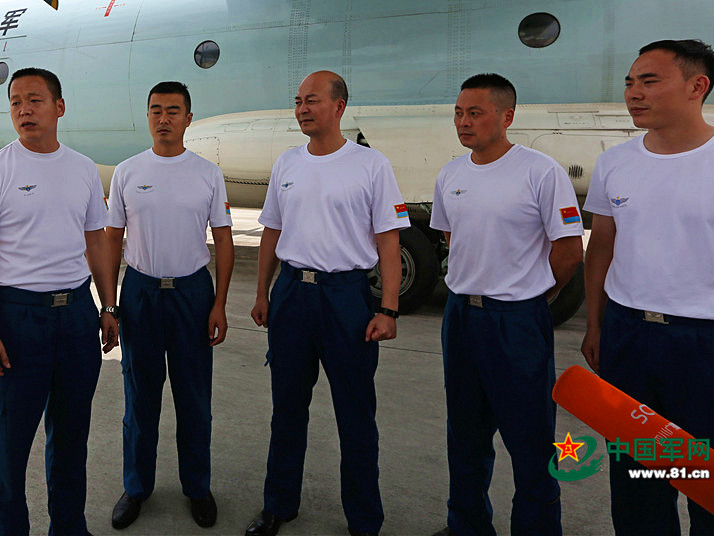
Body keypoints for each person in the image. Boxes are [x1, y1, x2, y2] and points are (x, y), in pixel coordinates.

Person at [581, 39, 714, 536]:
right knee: (638, 488)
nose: (633, 92)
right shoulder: (615, 162)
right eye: (630, 82)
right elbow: (601, 250)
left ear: (698, 86)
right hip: (631, 342)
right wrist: (596, 325)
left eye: (649, 81)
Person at [245, 70, 408, 536]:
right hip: (293, 295)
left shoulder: (370, 165)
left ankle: (363, 519)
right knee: (287, 408)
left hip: (347, 299)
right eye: (297, 101)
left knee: (355, 413)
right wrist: (262, 292)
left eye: (311, 100)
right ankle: (278, 504)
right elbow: (271, 232)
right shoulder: (287, 164)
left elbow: (388, 241)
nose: (301, 109)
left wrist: (389, 308)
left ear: (338, 106)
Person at [0, 67, 119, 536]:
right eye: (15, 103)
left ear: (59, 107)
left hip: (76, 314)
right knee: (7, 446)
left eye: (34, 100)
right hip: (15, 317)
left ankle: (69, 528)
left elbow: (97, 242)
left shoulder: (83, 169)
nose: (23, 110)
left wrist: (108, 306)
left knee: (71, 438)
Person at [428, 73, 583, 536]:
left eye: (475, 112)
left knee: (530, 441)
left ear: (506, 116)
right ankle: (467, 526)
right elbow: (453, 239)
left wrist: (532, 295)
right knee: (466, 435)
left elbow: (569, 251)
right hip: (460, 317)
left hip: (516, 321)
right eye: (458, 112)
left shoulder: (540, 171)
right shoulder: (451, 174)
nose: (464, 121)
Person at [106, 81, 234, 530]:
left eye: (174, 111)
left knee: (194, 398)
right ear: (148, 117)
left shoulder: (207, 174)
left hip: (192, 295)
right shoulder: (127, 171)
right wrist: (110, 304)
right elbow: (111, 238)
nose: (165, 118)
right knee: (140, 397)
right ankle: (136, 487)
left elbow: (223, 240)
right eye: (157, 110)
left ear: (188, 118)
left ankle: (197, 487)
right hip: (140, 293)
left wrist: (218, 303)